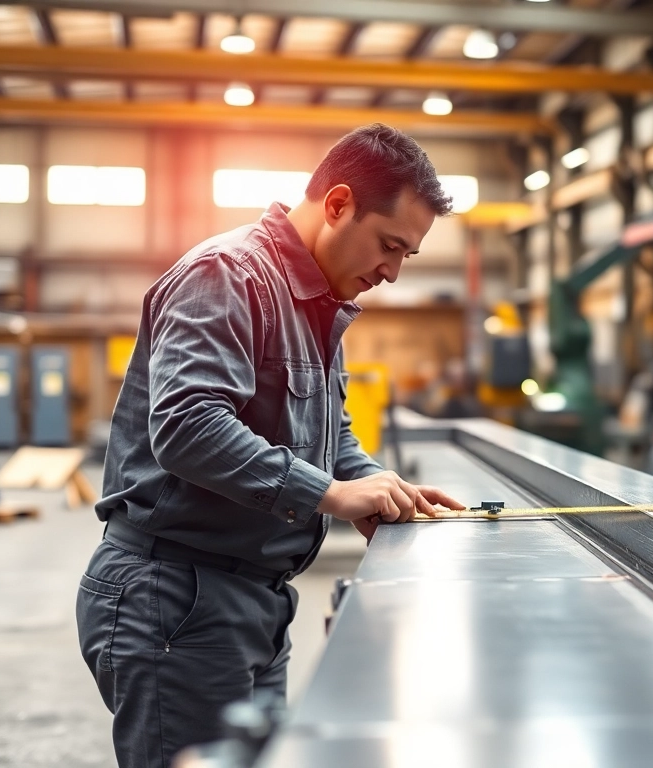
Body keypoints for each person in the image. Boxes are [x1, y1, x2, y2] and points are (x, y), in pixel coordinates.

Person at [77, 124, 467, 768]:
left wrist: (377, 487)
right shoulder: (227, 276)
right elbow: (186, 426)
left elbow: (326, 430)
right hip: (177, 598)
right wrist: (330, 494)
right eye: (390, 245)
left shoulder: (317, 300)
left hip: (253, 600)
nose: (393, 273)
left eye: (408, 256)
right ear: (337, 204)